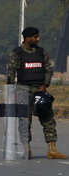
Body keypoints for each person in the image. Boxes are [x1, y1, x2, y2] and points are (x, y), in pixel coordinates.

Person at [6, 26, 68, 159]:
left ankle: (52, 149)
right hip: (23, 90)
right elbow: (10, 74)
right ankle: (26, 147)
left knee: (48, 119)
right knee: (24, 121)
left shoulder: (41, 52)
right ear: (27, 38)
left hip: (40, 90)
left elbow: (48, 69)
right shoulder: (17, 53)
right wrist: (11, 91)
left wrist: (44, 84)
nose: (38, 39)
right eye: (35, 37)